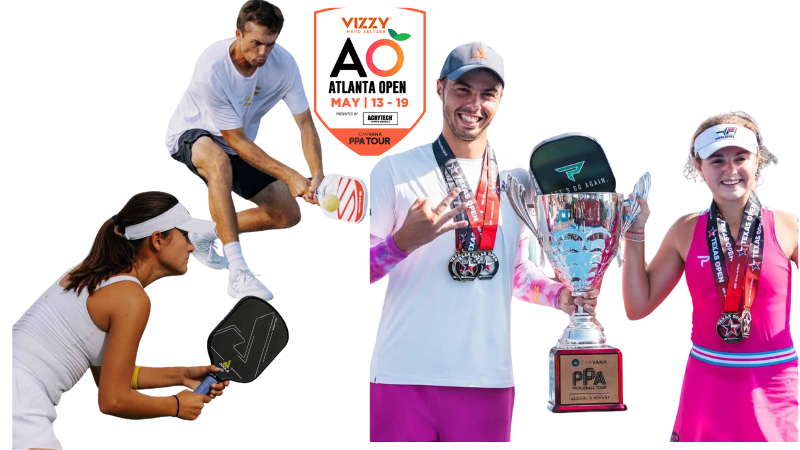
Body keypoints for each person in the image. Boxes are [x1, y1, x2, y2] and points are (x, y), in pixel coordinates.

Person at [368, 42, 598, 442]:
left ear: (500, 99)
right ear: (439, 89)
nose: (474, 104)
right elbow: (351, 272)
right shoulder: (394, 170)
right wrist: (402, 242)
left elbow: (514, 271)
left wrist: (560, 296)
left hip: (487, 380)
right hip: (402, 374)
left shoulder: (519, 180)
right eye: (463, 90)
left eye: (487, 93)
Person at [621, 111, 799, 442]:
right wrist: (635, 235)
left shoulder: (789, 227)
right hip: (707, 387)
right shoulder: (685, 230)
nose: (730, 170)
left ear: (757, 161)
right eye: (717, 160)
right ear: (699, 167)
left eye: (740, 158)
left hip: (775, 387)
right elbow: (638, 306)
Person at [12, 192, 230, 450]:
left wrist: (183, 376)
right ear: (158, 240)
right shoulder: (131, 299)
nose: (192, 247)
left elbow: (109, 377)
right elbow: (113, 400)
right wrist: (176, 405)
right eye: (185, 235)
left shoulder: (94, 273)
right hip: (18, 399)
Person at [165, 0, 324, 300]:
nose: (263, 53)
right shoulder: (212, 69)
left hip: (236, 144)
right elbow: (235, 140)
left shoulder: (285, 66)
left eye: (271, 44)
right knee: (218, 161)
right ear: (238, 33)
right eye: (256, 43)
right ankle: (238, 272)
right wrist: (292, 176)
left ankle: (205, 232)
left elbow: (305, 124)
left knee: (287, 214)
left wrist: (317, 175)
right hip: (192, 133)